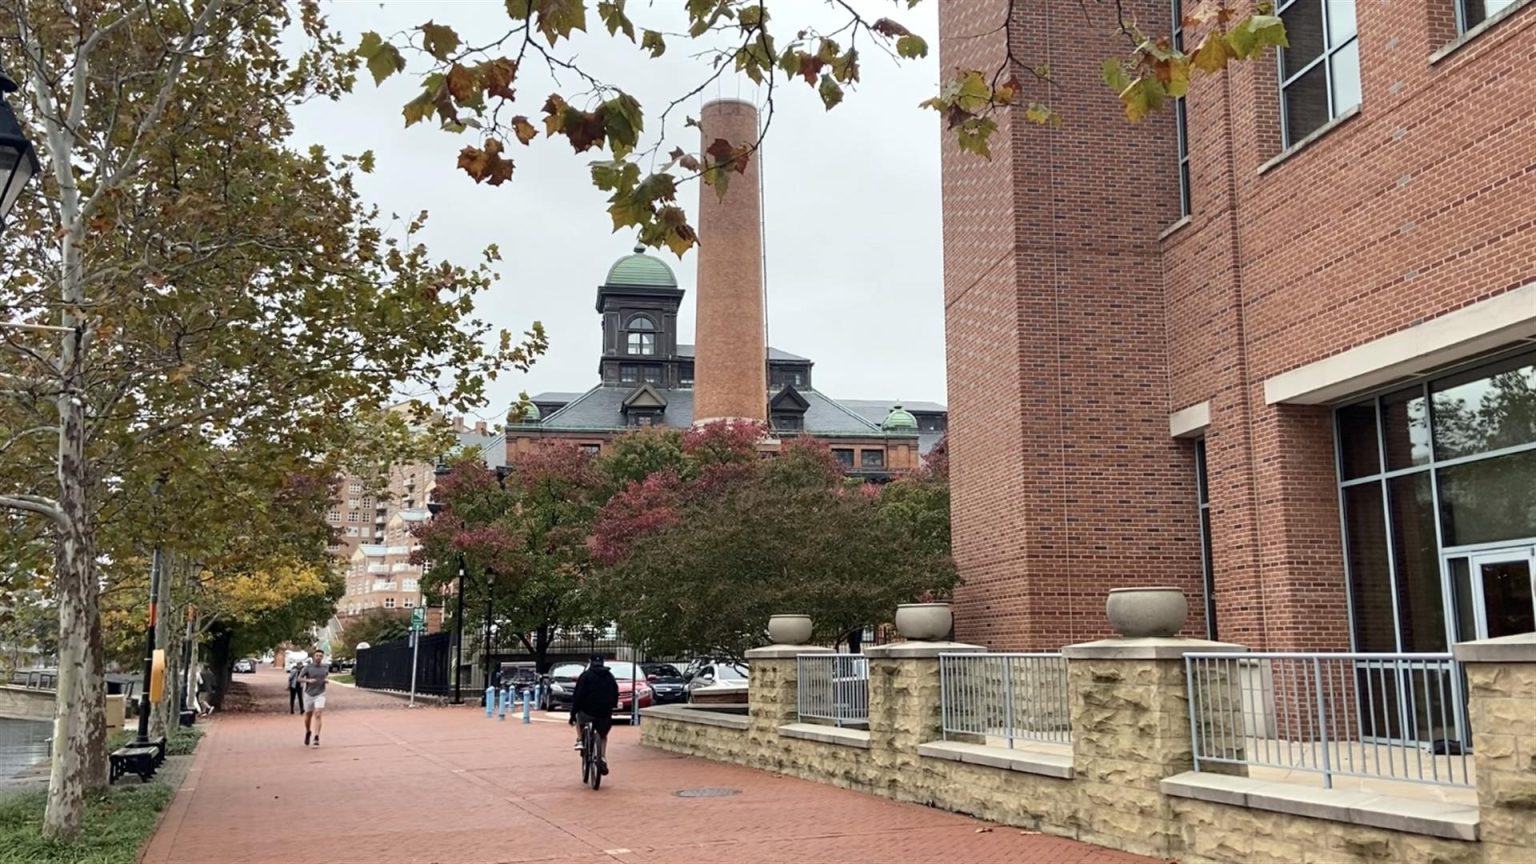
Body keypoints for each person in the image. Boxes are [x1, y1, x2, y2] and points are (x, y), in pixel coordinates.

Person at [569, 655, 619, 775]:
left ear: (590, 662)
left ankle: (580, 739)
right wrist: (611, 706)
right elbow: (615, 692)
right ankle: (602, 756)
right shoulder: (609, 676)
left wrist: (572, 714)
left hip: (587, 712)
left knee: (579, 718)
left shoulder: (585, 676)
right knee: (603, 736)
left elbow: (578, 696)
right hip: (604, 713)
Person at [298, 649, 330, 746]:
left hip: (320, 693)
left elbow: (325, 676)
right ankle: (308, 731)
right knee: (308, 715)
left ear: (322, 657)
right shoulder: (308, 667)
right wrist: (308, 680)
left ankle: (316, 737)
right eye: (317, 655)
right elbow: (299, 679)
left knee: (318, 714)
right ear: (313, 657)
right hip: (309, 694)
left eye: (320, 656)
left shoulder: (325, 667)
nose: (318, 657)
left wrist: (325, 680)